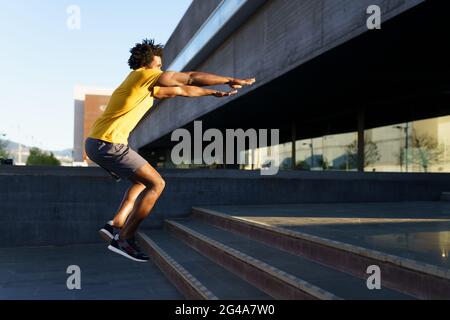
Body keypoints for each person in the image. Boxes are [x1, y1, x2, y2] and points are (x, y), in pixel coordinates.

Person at [84, 39, 256, 262]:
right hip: (107, 144)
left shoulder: (142, 87)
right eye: (159, 65)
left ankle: (115, 224)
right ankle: (124, 239)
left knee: (140, 182)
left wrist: (212, 93)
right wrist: (230, 80)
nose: (162, 70)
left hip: (98, 143)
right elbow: (189, 77)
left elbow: (181, 89)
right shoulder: (143, 75)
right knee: (157, 184)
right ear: (148, 65)